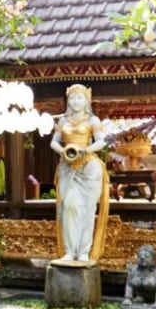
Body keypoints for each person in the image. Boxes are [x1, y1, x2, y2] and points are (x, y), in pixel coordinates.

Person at [50, 83, 109, 261]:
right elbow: (54, 142)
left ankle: (84, 251)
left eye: (80, 98)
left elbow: (101, 142)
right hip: (68, 166)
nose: (76, 102)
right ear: (68, 101)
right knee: (68, 206)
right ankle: (69, 251)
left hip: (89, 167)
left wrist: (86, 150)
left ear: (86, 101)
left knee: (88, 211)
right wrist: (63, 151)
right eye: (73, 98)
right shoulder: (62, 121)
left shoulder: (93, 121)